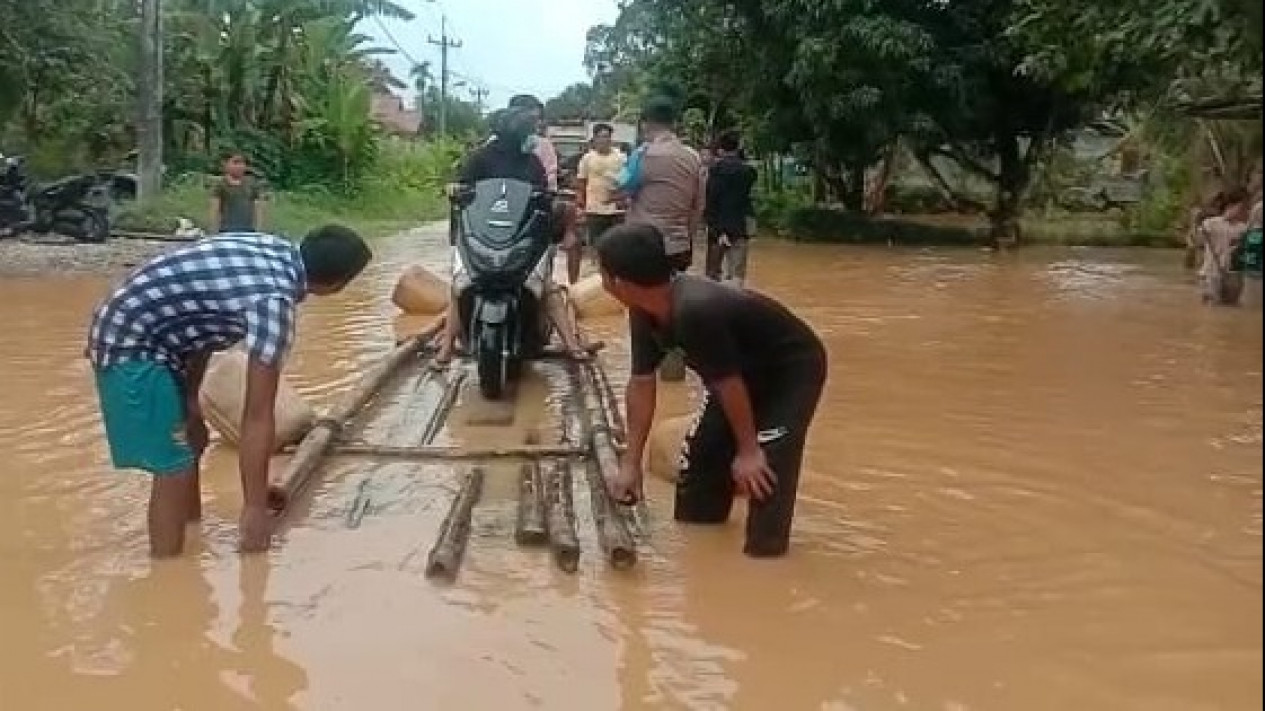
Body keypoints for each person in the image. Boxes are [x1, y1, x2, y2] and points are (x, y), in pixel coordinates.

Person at [86, 226, 373, 557]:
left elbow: (200, 317)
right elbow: (257, 414)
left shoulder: (271, 247)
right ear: (336, 285)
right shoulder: (273, 303)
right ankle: (166, 574)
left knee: (191, 438)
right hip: (131, 343)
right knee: (172, 465)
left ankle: (192, 532)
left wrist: (191, 400)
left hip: (142, 326)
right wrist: (253, 510)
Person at [597, 223, 828, 558]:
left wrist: (748, 451)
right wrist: (631, 464)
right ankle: (702, 550)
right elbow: (642, 384)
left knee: (764, 471)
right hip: (734, 374)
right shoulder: (644, 311)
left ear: (617, 282)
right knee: (703, 459)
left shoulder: (696, 309)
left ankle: (766, 556)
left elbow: (728, 383)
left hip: (789, 371)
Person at [433, 106, 587, 366]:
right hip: (483, 234)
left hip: (522, 237)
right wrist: (455, 189)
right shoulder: (479, 158)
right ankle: (446, 347)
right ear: (515, 134)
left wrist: (554, 201)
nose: (533, 138)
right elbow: (463, 188)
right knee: (461, 285)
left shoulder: (533, 162)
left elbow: (543, 197)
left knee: (546, 286)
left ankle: (571, 344)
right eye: (529, 132)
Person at [616, 96, 705, 273]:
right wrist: (686, 237)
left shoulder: (640, 155)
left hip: (643, 246)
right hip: (679, 246)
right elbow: (699, 206)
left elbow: (617, 191)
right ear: (673, 123)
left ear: (645, 123)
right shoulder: (694, 157)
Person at [570, 123, 627, 283]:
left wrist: (620, 196)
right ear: (594, 139)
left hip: (616, 210)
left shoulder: (621, 157)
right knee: (596, 244)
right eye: (601, 136)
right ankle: (598, 276)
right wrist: (580, 202)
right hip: (594, 209)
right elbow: (581, 182)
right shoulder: (588, 158)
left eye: (607, 136)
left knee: (617, 244)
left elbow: (626, 181)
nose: (605, 140)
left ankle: (615, 275)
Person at [704, 131, 758, 284]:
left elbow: (711, 201)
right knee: (737, 276)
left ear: (720, 149)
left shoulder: (715, 171)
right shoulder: (748, 172)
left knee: (712, 276)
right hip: (740, 227)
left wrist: (714, 226)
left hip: (717, 228)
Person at [1198, 186, 1252, 305]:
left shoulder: (1243, 229)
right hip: (1211, 274)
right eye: (1242, 207)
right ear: (1230, 206)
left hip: (1232, 275)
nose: (1245, 211)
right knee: (1211, 308)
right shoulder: (1211, 224)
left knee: (1232, 307)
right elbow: (1198, 241)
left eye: (1246, 208)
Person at [209, 151, 265, 234]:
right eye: (235, 162)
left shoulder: (252, 183)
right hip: (226, 230)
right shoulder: (220, 185)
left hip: (248, 230)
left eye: (242, 163)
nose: (240, 166)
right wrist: (213, 232)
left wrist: (258, 230)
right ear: (226, 165)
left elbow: (258, 208)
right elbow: (214, 210)